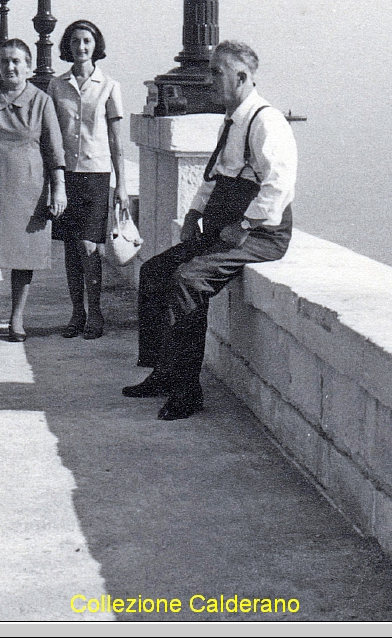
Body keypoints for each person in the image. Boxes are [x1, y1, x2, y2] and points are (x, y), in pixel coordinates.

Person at [123, 40, 298, 420]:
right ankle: (164, 372)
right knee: (154, 273)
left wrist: (246, 224)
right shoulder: (232, 120)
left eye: (217, 72)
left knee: (187, 281)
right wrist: (192, 214)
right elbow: (215, 175)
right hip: (224, 228)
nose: (209, 79)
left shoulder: (266, 122)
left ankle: (187, 391)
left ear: (242, 77)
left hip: (259, 235)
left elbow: (279, 185)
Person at [0, 39, 66, 343]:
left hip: (29, 190)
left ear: (29, 66)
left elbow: (54, 151)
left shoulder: (42, 101)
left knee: (23, 257)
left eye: (17, 60)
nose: (10, 66)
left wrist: (58, 190)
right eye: (5, 60)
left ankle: (17, 318)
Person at [49, 20, 130, 340]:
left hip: (96, 175)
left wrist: (122, 185)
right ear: (67, 46)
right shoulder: (57, 86)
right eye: (75, 41)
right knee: (71, 248)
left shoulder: (109, 85)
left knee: (90, 246)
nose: (81, 47)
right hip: (66, 174)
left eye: (87, 41)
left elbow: (116, 142)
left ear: (96, 45)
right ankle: (76, 312)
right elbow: (51, 136)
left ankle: (95, 312)